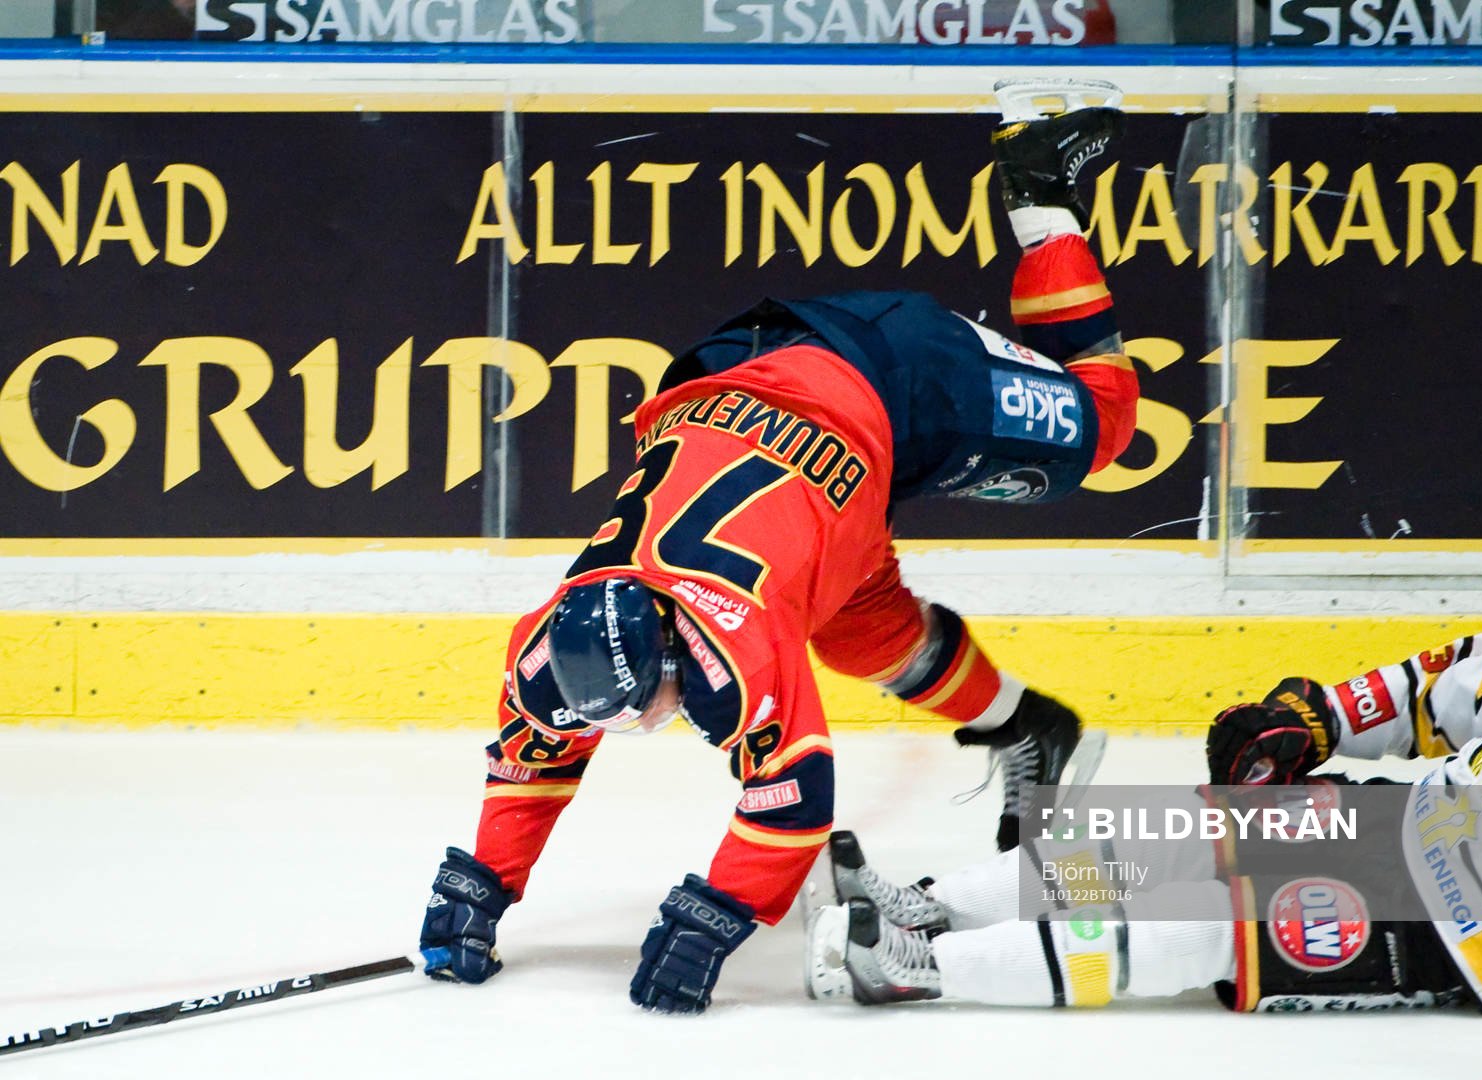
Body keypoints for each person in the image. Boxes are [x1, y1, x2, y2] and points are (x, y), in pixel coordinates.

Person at [417, 80, 1140, 1013]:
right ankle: (1030, 726)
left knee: (1107, 425)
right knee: (857, 636)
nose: (640, 725)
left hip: (891, 376)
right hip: (782, 445)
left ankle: (1043, 194)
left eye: (648, 702)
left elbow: (792, 802)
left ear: (678, 646)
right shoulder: (553, 645)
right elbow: (534, 756)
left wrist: (714, 916)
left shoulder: (736, 641)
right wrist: (480, 883)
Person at [806, 552, 1482, 1080]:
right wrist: (1314, 718)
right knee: (1163, 834)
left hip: (1468, 933)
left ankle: (924, 967)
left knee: (1202, 925)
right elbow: (1421, 690)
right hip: (1405, 825)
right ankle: (934, 905)